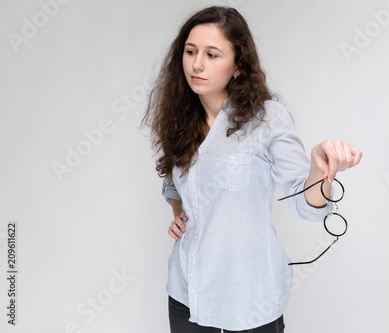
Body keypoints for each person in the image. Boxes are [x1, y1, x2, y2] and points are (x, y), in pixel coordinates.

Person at [142, 5, 362, 333]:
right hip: (187, 294)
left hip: (248, 300)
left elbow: (308, 207)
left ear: (238, 67)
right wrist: (180, 214)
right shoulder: (180, 120)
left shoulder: (267, 119)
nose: (197, 64)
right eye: (190, 51)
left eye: (212, 54)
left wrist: (319, 168)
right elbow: (174, 184)